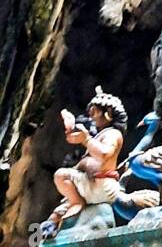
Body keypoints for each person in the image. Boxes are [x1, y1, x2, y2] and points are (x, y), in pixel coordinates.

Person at [42, 87, 128, 237]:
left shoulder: (113, 134)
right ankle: (54, 225)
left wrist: (86, 140)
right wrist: (73, 132)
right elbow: (79, 139)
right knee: (57, 213)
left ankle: (77, 203)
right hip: (92, 186)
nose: (91, 117)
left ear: (108, 113)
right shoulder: (100, 135)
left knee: (61, 175)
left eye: (94, 112)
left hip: (102, 185)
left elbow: (105, 154)